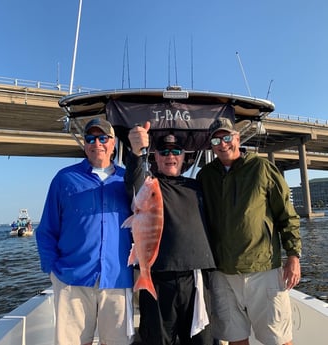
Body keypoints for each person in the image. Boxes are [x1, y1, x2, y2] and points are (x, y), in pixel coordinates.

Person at [196, 117, 302, 345]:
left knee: (278, 339)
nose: (222, 144)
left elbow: (287, 215)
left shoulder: (262, 168)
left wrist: (293, 255)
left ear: (237, 137)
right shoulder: (205, 176)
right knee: (235, 338)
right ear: (211, 145)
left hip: (262, 270)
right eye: (216, 140)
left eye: (227, 137)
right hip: (222, 273)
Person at [36, 117, 134, 345]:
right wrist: (53, 270)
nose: (96, 143)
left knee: (118, 341)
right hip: (72, 278)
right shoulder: (64, 179)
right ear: (85, 143)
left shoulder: (127, 180)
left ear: (113, 144)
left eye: (103, 138)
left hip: (118, 277)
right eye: (90, 138)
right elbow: (47, 229)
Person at [125, 121, 216, 345]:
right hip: (155, 277)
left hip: (195, 278)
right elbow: (133, 182)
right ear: (155, 157)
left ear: (184, 156)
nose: (170, 156)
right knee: (157, 339)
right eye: (163, 152)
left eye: (176, 151)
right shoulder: (151, 185)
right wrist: (137, 152)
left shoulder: (197, 186)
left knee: (201, 340)